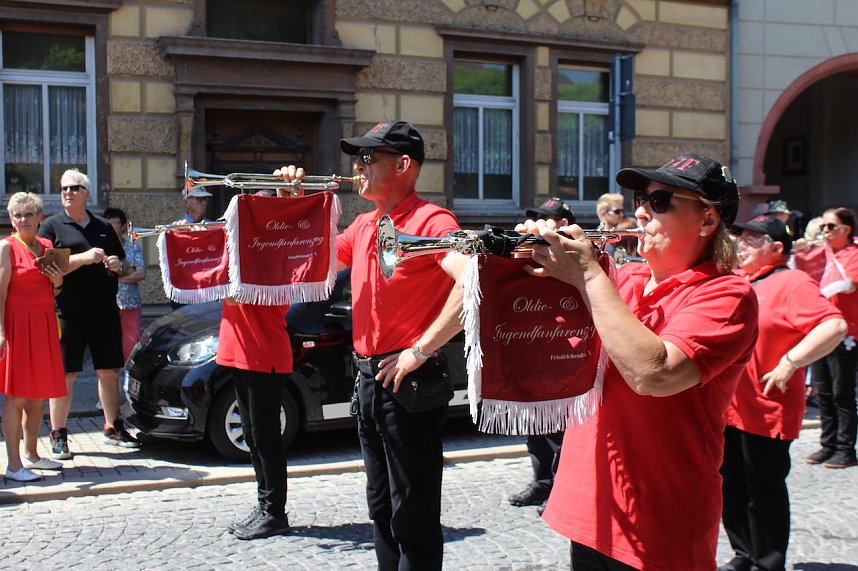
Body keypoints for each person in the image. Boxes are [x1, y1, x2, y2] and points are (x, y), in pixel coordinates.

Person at [522, 154, 760, 570]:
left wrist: (589, 277)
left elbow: (654, 374)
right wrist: (526, 256)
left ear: (707, 220)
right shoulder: (623, 279)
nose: (641, 210)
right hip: (591, 506)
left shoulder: (728, 296)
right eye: (640, 197)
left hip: (657, 519)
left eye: (661, 200)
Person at [278, 120, 468, 569]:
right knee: (381, 510)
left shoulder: (432, 221)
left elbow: (472, 282)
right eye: (356, 158)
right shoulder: (367, 223)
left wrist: (420, 349)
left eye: (367, 158)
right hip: (367, 380)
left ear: (403, 165)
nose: (356, 167)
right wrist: (294, 204)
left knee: (413, 516)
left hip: (409, 381)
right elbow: (313, 259)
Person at [720, 217, 845, 571]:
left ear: (777, 249)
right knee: (732, 488)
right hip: (729, 408)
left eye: (753, 239)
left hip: (766, 409)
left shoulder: (792, 281)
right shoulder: (741, 280)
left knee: (764, 494)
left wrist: (791, 361)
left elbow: (834, 325)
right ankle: (743, 554)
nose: (742, 244)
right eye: (741, 238)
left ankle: (767, 563)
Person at [38, 168, 139, 459]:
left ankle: (113, 426)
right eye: (63, 188)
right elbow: (47, 267)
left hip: (105, 309)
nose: (67, 192)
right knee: (65, 374)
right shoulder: (52, 227)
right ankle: (58, 433)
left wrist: (118, 267)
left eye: (73, 188)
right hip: (68, 310)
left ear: (87, 193)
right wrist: (84, 258)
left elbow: (124, 264)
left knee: (108, 370)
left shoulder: (103, 226)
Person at [509, 197, 572, 511]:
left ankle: (561, 489)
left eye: (547, 218)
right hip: (534, 346)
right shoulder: (530, 251)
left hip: (562, 351)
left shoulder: (574, 253)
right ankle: (542, 482)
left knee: (560, 431)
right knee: (535, 426)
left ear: (562, 223)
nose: (540, 223)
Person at [0, 193, 66, 482]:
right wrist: (0, 331)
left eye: (28, 214)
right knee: (16, 397)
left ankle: (32, 455)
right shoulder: (6, 247)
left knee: (38, 396)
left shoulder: (47, 246)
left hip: (43, 324)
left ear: (40, 217)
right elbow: (0, 293)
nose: (23, 220)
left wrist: (57, 279)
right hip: (16, 326)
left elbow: (55, 290)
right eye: (18, 215)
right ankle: (13, 465)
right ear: (11, 219)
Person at [218, 297, 293, 540]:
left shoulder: (271, 262)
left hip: (262, 351)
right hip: (240, 349)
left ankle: (275, 513)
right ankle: (265, 506)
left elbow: (276, 296)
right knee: (251, 435)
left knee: (265, 437)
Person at [805, 207, 858, 469]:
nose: (824, 232)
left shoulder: (853, 255)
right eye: (822, 227)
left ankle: (845, 449)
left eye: (830, 227)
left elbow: (850, 283)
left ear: (846, 230)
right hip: (819, 330)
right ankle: (828, 445)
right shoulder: (823, 254)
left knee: (841, 393)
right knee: (823, 391)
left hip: (844, 333)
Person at [104, 208, 146, 362]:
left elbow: (141, 274)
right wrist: (129, 273)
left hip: (130, 304)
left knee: (131, 345)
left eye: (113, 221)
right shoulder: (101, 249)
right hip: (108, 306)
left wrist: (116, 279)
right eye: (106, 221)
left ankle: (129, 380)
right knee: (108, 347)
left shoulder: (132, 247)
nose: (109, 224)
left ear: (123, 226)